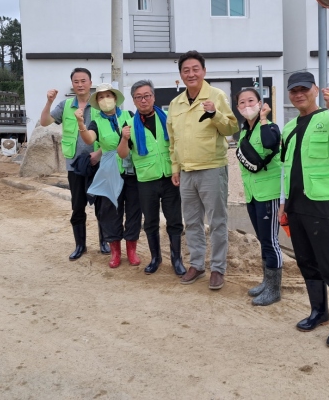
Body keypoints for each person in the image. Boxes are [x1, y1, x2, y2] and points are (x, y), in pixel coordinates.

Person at [279, 71, 329, 349]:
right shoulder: (289, 127)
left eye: (303, 89)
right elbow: (284, 169)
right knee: (306, 261)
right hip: (296, 205)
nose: (298, 94)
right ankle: (319, 312)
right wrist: (282, 203)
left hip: (322, 203)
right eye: (293, 90)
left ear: (315, 89)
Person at [167, 51, 239, 290]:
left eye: (195, 69)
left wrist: (214, 114)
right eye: (186, 70)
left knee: (217, 221)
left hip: (212, 168)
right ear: (181, 74)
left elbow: (231, 128)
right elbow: (173, 140)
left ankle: (217, 268)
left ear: (204, 71)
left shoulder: (216, 96)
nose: (191, 74)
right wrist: (175, 168)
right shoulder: (176, 104)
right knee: (192, 222)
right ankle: (197, 265)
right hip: (186, 171)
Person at [117, 80, 186, 276]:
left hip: (170, 177)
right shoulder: (129, 125)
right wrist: (124, 138)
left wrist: (178, 169)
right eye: (138, 97)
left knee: (174, 220)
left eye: (147, 96)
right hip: (146, 180)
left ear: (153, 97)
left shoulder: (167, 119)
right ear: (133, 100)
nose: (143, 100)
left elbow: (178, 145)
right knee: (150, 221)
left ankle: (176, 259)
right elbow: (122, 154)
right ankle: (156, 258)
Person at [40, 68, 109, 260]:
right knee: (77, 206)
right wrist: (49, 102)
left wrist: (99, 153)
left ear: (90, 83)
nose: (80, 84)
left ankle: (104, 242)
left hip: (99, 162)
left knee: (102, 205)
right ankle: (80, 245)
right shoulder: (65, 105)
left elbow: (112, 131)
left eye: (83, 81)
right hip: (75, 165)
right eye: (76, 81)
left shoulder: (100, 104)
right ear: (72, 84)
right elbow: (44, 122)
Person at [77, 83, 142, 269]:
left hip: (131, 169)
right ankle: (115, 251)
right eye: (101, 97)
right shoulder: (96, 122)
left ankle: (131, 249)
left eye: (108, 96)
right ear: (97, 102)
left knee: (134, 209)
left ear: (115, 98)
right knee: (110, 210)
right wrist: (81, 124)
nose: (105, 100)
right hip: (109, 170)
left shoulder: (129, 115)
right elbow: (89, 139)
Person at [235, 88, 283, 306]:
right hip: (252, 194)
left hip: (269, 193)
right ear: (238, 108)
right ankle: (267, 282)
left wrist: (263, 119)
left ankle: (274, 289)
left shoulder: (270, 127)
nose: (247, 106)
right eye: (242, 102)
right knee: (263, 240)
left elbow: (270, 144)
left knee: (271, 241)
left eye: (251, 101)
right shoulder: (245, 132)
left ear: (260, 103)